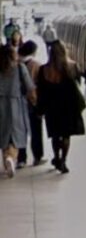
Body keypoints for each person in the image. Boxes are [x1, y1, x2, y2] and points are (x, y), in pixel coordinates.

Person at [35, 41, 84, 174]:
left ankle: (56, 157)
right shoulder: (72, 66)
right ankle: (63, 160)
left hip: (52, 108)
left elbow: (41, 91)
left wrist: (40, 109)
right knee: (66, 135)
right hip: (69, 107)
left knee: (55, 135)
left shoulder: (44, 69)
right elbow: (79, 82)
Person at [0, 45, 36, 178]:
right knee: (16, 136)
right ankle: (11, 158)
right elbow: (30, 87)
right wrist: (35, 101)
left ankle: (6, 160)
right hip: (16, 105)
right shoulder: (20, 67)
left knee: (3, 135)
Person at [16, 41, 45, 167]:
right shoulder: (36, 65)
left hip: (17, 102)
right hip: (33, 101)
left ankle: (21, 159)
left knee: (20, 130)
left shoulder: (14, 64)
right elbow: (40, 85)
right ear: (33, 51)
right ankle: (37, 157)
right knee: (36, 130)